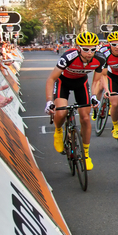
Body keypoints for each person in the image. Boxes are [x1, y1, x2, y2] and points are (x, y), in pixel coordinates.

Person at [45, 31, 107, 170]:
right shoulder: (68, 57)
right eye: (86, 49)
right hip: (63, 82)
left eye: (93, 49)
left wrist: (94, 96)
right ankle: (58, 130)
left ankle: (86, 154)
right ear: (78, 48)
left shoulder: (100, 58)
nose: (90, 53)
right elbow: (51, 78)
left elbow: (96, 81)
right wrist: (49, 101)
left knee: (85, 118)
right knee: (61, 112)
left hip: (81, 83)